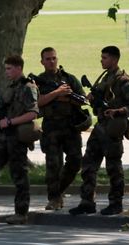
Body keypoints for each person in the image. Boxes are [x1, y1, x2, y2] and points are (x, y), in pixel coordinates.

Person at [69, 45, 129, 216]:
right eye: (102, 57)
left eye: (105, 57)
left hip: (113, 127)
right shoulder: (105, 78)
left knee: (113, 167)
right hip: (100, 126)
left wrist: (118, 111)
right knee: (88, 164)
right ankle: (87, 201)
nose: (102, 60)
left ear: (114, 59)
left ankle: (116, 203)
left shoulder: (123, 81)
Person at [0, 54, 40, 225]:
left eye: (9, 68)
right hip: (5, 136)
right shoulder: (11, 87)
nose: (6, 72)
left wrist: (10, 121)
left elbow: (33, 113)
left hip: (17, 136)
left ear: (19, 68)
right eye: (5, 68)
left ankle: (21, 213)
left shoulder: (28, 87)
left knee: (19, 174)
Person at [36, 47, 87, 211]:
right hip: (51, 127)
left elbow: (83, 100)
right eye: (48, 59)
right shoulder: (38, 81)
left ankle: (59, 191)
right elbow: (36, 103)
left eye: (53, 58)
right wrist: (56, 94)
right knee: (53, 164)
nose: (51, 61)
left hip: (70, 126)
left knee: (75, 161)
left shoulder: (69, 79)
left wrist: (69, 99)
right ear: (42, 62)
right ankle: (53, 198)